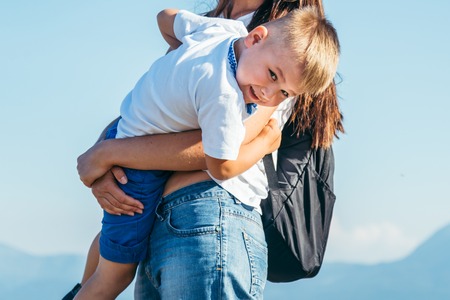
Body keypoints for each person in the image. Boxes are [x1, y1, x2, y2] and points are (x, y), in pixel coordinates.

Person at [69, 5, 340, 300]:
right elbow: (154, 109)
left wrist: (110, 153)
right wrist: (106, 158)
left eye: (283, 92)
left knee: (110, 275)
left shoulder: (289, 47)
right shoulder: (227, 29)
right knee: (108, 271)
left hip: (209, 215)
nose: (269, 95)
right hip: (162, 218)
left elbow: (219, 150)